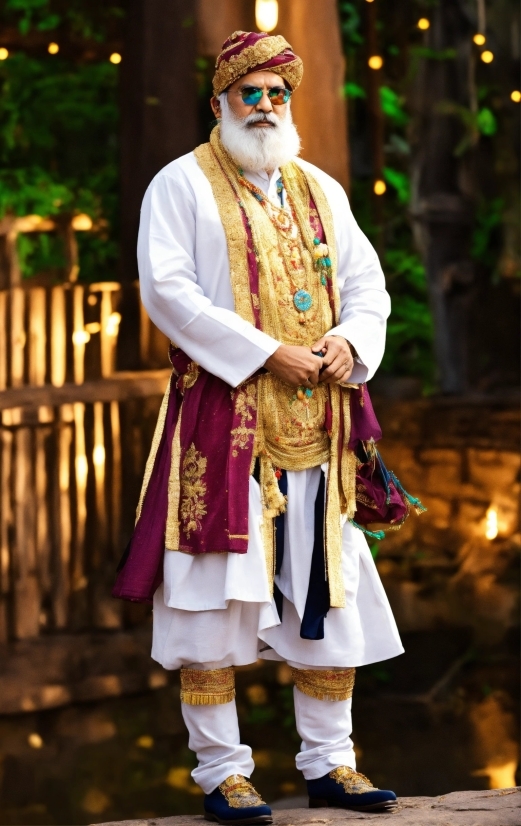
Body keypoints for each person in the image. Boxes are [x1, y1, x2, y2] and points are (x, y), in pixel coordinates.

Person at [114, 30, 405, 824]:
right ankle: (221, 774)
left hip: (318, 421)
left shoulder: (318, 189)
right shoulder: (179, 185)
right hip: (223, 420)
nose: (268, 106)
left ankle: (330, 763)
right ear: (220, 104)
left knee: (328, 590)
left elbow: (366, 286)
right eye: (252, 93)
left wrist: (350, 341)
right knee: (211, 599)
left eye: (279, 94)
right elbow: (167, 292)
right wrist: (262, 352)